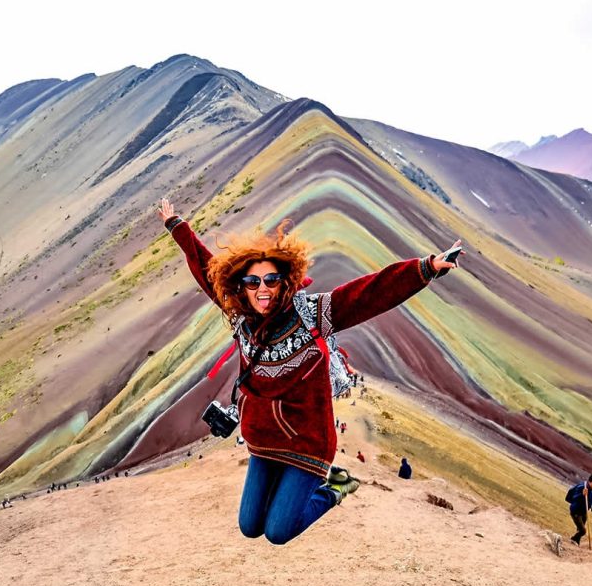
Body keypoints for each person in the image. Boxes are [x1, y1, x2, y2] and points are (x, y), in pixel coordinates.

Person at [158, 198, 463, 545]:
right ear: (240, 285)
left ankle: (335, 487)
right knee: (249, 526)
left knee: (278, 532)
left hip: (307, 442)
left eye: (271, 279)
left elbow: (371, 293)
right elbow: (205, 267)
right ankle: (288, 493)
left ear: (285, 281)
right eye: (252, 281)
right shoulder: (240, 316)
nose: (263, 289)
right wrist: (177, 227)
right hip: (263, 438)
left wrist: (427, 267)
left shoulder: (315, 313)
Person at [566, 473, 592, 545]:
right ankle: (573, 539)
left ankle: (576, 541)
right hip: (576, 511)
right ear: (589, 482)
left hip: (584, 511)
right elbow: (574, 498)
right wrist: (582, 494)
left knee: (579, 529)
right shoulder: (582, 487)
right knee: (583, 531)